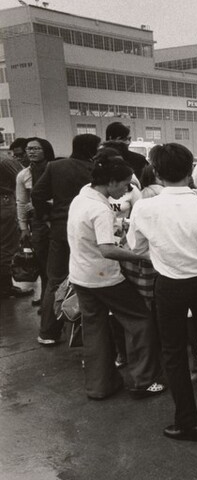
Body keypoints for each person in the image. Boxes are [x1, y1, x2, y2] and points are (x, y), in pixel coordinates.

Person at [127, 143, 197, 441]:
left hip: (169, 284)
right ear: (190, 170)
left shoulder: (145, 207)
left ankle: (187, 421)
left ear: (158, 172)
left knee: (174, 353)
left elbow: (136, 248)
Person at [67, 149, 165, 400]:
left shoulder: (81, 199)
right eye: (124, 185)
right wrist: (142, 256)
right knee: (140, 321)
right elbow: (107, 250)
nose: (127, 190)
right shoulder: (100, 210)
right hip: (104, 277)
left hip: (80, 275)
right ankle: (143, 380)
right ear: (110, 182)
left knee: (95, 329)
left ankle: (99, 386)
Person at [32, 133, 100, 345]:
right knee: (89, 281)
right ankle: (85, 333)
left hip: (61, 230)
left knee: (55, 280)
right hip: (90, 233)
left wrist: (47, 217)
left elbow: (37, 194)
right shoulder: (97, 170)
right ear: (92, 150)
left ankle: (48, 332)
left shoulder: (55, 167)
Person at [15, 138, 56, 304]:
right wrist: (23, 227)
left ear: (45, 150)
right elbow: (21, 202)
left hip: (56, 219)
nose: (31, 152)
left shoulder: (55, 169)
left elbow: (64, 194)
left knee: (60, 261)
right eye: (29, 149)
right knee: (42, 261)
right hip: (37, 222)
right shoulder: (23, 175)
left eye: (36, 148)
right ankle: (46, 299)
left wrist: (44, 203)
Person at [1, 150, 28, 299]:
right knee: (6, 246)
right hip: (4, 202)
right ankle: (5, 287)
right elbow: (25, 178)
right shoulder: (5, 160)